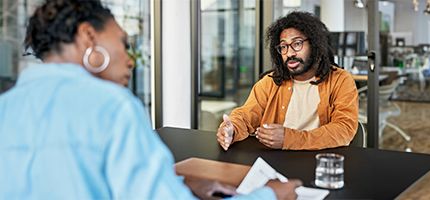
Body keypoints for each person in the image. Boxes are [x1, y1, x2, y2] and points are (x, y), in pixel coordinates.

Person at [0, 0, 301, 199]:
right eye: (123, 43)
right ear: (88, 36)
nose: (130, 60)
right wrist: (270, 195)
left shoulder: (6, 106)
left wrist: (177, 186)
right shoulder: (111, 106)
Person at [217, 11, 358, 151]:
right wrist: (232, 128)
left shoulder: (341, 80)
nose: (289, 53)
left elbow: (344, 128)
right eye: (283, 47)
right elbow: (247, 115)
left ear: (315, 44)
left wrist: (289, 139)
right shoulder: (270, 82)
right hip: (274, 164)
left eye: (297, 44)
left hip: (321, 162)